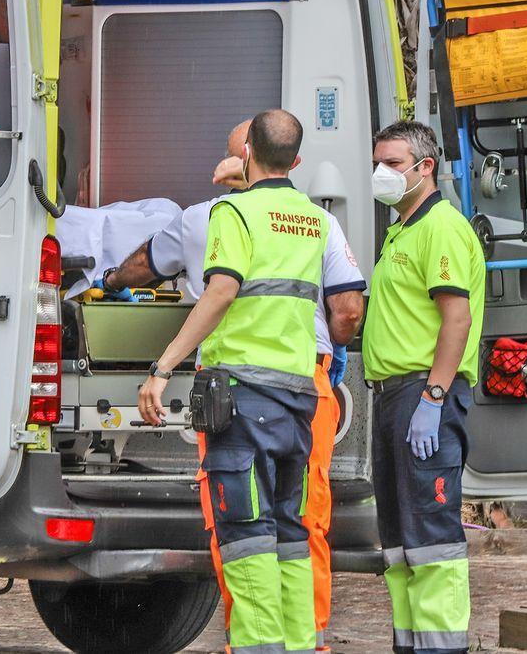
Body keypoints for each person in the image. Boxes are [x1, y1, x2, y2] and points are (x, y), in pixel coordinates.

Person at [106, 121, 365, 651]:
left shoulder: (230, 214)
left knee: (245, 535)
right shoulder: (316, 220)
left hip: (240, 400)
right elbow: (345, 309)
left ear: (246, 154)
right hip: (298, 399)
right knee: (292, 534)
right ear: (295, 161)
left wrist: (162, 367)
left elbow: (221, 290)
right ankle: (302, 644)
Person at [362, 121, 485, 654]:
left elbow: (455, 320)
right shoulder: (402, 230)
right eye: (378, 163)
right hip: (394, 397)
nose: (380, 174)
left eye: (391, 164)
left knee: (432, 544)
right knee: (400, 548)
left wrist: (433, 399)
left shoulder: (442, 228)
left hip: (422, 394)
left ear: (424, 166)